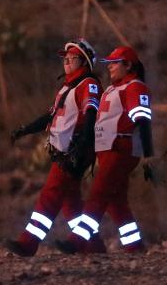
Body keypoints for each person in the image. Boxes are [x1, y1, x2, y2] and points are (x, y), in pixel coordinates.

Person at [6, 39, 102, 257]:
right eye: (64, 59)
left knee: (50, 195)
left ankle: (28, 243)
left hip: (75, 150)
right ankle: (94, 247)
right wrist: (25, 130)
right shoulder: (68, 87)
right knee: (71, 203)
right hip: (65, 150)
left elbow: (91, 114)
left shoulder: (89, 84)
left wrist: (82, 145)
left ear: (84, 61)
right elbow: (50, 115)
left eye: (72, 58)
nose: (66, 62)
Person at [57, 46, 155, 254]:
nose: (109, 67)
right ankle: (135, 246)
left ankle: (77, 241)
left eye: (114, 62)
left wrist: (148, 154)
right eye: (108, 63)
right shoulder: (113, 88)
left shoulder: (135, 87)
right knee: (116, 202)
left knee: (98, 194)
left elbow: (143, 122)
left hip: (121, 149)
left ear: (128, 65)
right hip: (108, 149)